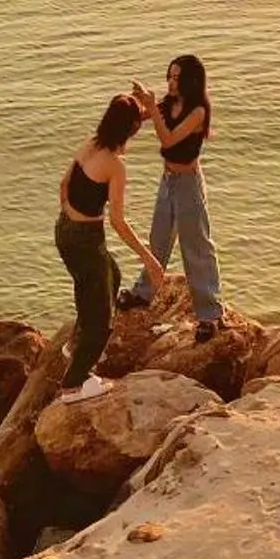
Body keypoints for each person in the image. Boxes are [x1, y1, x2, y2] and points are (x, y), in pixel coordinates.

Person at [56, 92, 167, 402]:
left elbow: (63, 185)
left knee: (109, 278)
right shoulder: (115, 166)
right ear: (130, 130)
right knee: (102, 318)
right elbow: (118, 220)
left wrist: (148, 109)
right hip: (86, 239)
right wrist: (151, 260)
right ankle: (74, 383)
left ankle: (74, 345)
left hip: (64, 230)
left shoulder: (91, 145)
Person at [118, 54, 224, 342]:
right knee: (158, 239)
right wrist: (136, 105)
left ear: (190, 80)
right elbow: (139, 118)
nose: (171, 82)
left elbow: (169, 140)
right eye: (169, 76)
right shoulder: (167, 104)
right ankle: (143, 293)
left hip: (188, 184)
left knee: (197, 246)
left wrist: (153, 109)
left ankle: (210, 313)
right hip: (168, 180)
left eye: (177, 77)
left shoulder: (198, 111)